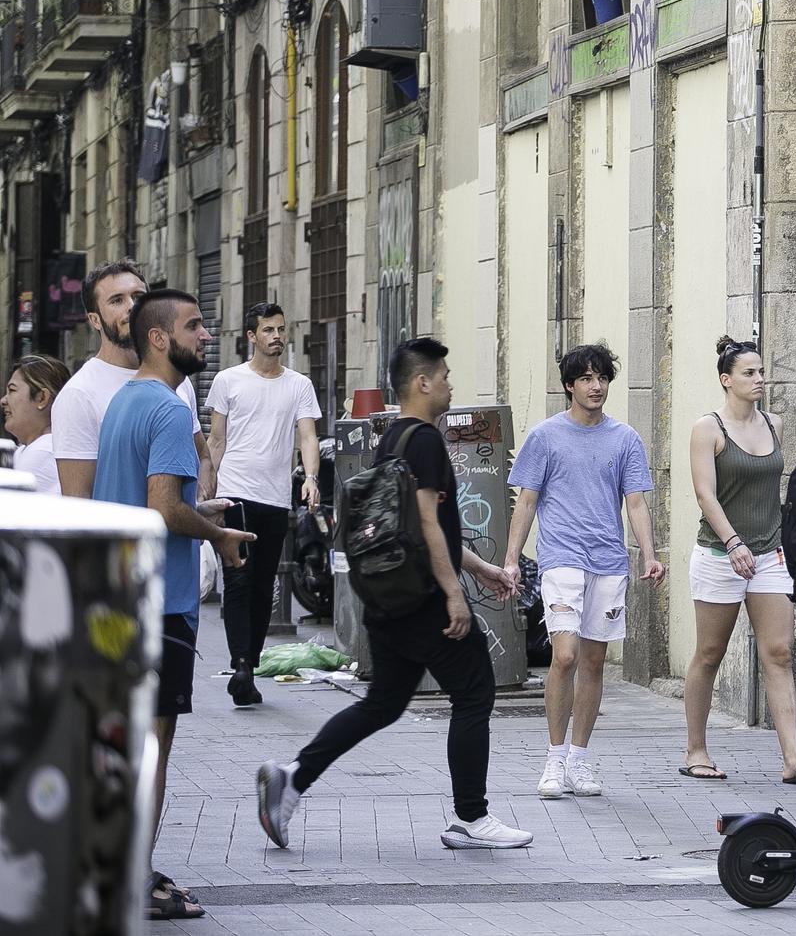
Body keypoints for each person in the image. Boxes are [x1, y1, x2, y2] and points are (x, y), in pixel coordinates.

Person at [256, 338, 533, 852]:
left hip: (387, 596)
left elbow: (427, 528)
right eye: (444, 375)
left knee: (382, 704)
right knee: (474, 693)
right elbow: (426, 522)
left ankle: (292, 779)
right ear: (422, 382)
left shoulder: (394, 440)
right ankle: (472, 818)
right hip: (424, 598)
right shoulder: (425, 440)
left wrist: (482, 569)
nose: (450, 384)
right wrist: (455, 594)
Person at [93, 290, 255, 920]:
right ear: (158, 338)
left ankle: (118, 864)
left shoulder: (122, 402)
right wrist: (219, 535)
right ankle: (134, 877)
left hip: (121, 594)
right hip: (162, 601)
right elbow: (162, 508)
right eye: (193, 326)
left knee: (126, 744)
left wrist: (200, 512)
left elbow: (145, 500)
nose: (205, 336)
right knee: (153, 747)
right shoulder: (164, 408)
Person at [501, 341, 662, 799]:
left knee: (593, 661)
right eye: (587, 379)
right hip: (562, 559)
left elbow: (635, 502)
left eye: (603, 378)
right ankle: (553, 760)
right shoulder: (546, 437)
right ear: (570, 385)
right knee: (565, 655)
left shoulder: (625, 438)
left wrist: (648, 554)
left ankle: (580, 759)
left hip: (608, 562)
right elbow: (526, 501)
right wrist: (511, 559)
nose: (597, 386)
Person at [679, 336, 796, 784]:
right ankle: (696, 750)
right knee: (710, 653)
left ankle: (792, 758)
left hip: (770, 553)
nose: (760, 379)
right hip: (720, 554)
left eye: (761, 371)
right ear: (726, 380)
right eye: (749, 373)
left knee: (778, 650)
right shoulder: (708, 428)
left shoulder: (773, 422)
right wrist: (733, 542)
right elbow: (705, 494)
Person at [206, 302, 323, 707]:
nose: (276, 336)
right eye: (267, 330)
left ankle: (248, 666)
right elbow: (216, 440)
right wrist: (209, 488)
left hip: (274, 498)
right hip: (235, 492)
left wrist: (310, 478)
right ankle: (240, 663)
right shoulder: (227, 380)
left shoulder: (298, 385)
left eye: (280, 329)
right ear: (251, 337)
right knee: (238, 580)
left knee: (262, 585)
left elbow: (307, 436)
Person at [54, 259, 212, 500]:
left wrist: (199, 506)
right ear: (95, 320)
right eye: (117, 300)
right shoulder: (79, 394)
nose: (132, 307)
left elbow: (202, 456)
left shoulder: (176, 378)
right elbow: (79, 504)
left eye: (139, 296)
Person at [2, 354, 71, 494]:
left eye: (12, 390)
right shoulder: (34, 449)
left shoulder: (42, 452)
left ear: (42, 398)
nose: (3, 401)